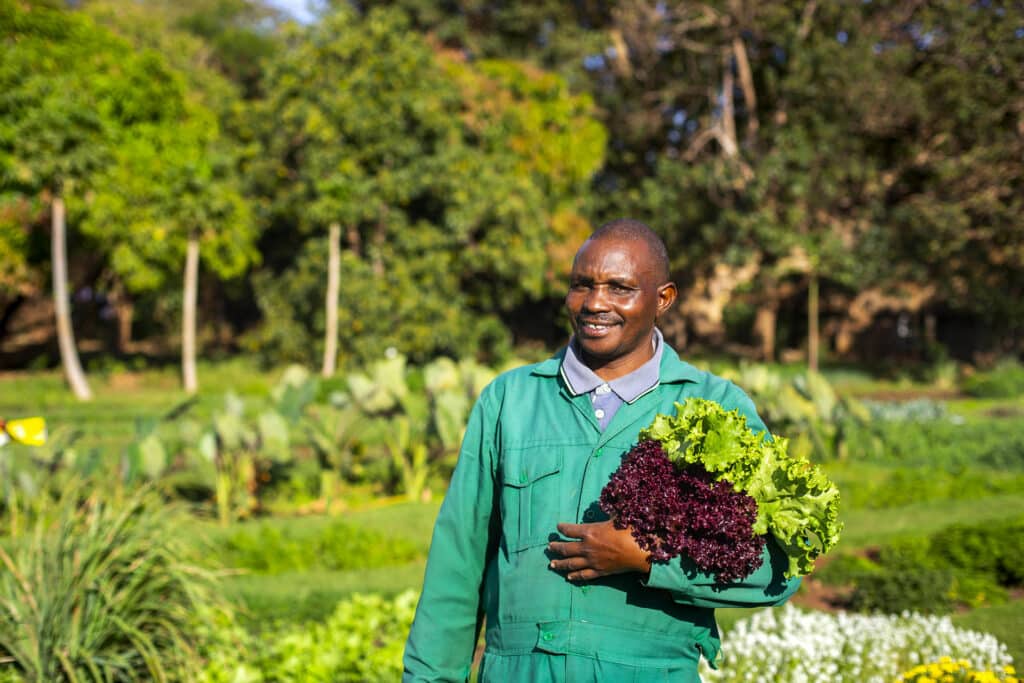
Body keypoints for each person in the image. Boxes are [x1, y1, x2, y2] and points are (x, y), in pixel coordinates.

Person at [403, 218, 800, 682]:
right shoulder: (510, 400)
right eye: (582, 285)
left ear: (663, 299)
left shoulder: (715, 408)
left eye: (619, 287)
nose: (595, 302)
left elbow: (776, 570)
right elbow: (457, 563)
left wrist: (647, 557)